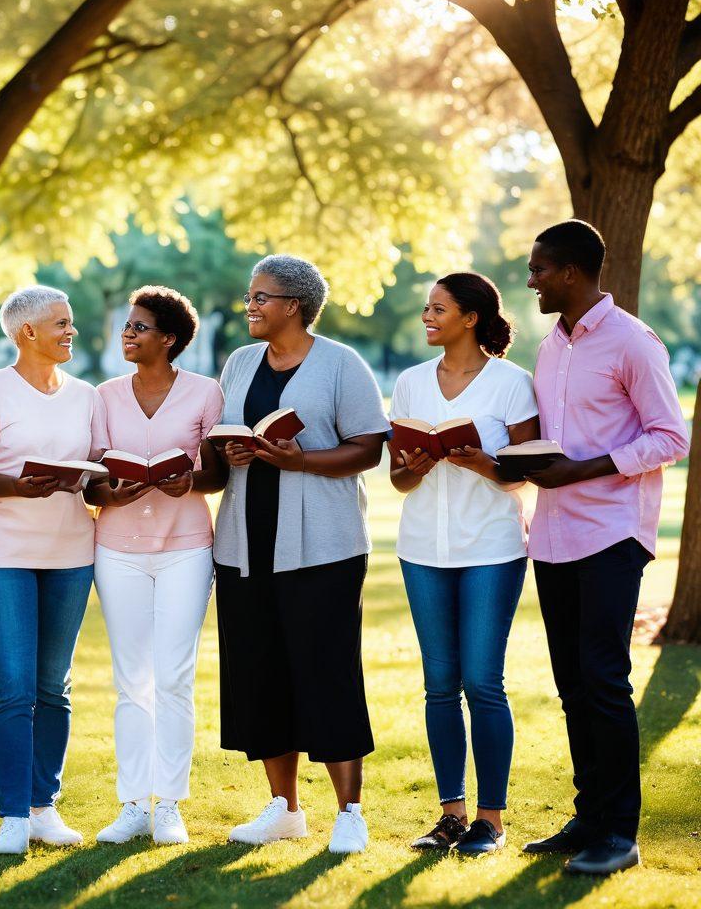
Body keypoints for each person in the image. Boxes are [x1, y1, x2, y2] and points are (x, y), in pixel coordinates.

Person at [522, 220, 689, 875]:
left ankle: (619, 834)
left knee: (603, 678)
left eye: (539, 269)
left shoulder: (633, 342)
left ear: (570, 272)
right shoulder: (549, 346)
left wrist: (581, 471)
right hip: (552, 534)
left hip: (613, 532)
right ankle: (590, 816)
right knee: (572, 684)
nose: (531, 281)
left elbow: (670, 437)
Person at [212, 254, 389, 855]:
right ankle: (284, 809)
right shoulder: (239, 363)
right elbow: (227, 436)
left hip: (324, 549)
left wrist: (302, 460)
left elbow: (369, 448)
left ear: (293, 305)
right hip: (244, 545)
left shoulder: (341, 363)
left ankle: (350, 812)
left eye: (260, 297)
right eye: (250, 295)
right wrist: (234, 452)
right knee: (259, 673)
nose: (251, 306)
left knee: (328, 671)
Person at [389, 273, 539, 855]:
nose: (427, 317)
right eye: (426, 308)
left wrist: (482, 463)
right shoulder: (409, 382)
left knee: (482, 681)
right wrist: (416, 467)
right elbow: (399, 480)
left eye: (438, 308)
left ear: (470, 318)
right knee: (439, 685)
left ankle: (491, 820)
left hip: (491, 548)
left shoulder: (512, 383)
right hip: (422, 548)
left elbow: (525, 469)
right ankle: (450, 815)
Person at [0, 285, 106, 855]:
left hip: (72, 553)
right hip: (4, 555)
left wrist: (102, 480)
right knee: (16, 687)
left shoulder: (86, 396)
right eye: (61, 323)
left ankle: (44, 806)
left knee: (54, 686)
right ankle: (12, 816)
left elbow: (97, 473)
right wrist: (18, 485)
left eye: (70, 322)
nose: (72, 331)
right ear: (27, 332)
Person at [87, 287, 226, 845]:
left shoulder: (205, 393)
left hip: (185, 548)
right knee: (131, 681)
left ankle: (168, 803)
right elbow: (92, 479)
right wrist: (109, 491)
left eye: (140, 327)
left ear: (169, 338)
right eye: (127, 325)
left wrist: (188, 481)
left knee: (173, 677)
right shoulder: (104, 396)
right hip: (117, 549)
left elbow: (217, 474)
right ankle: (131, 804)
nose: (128, 333)